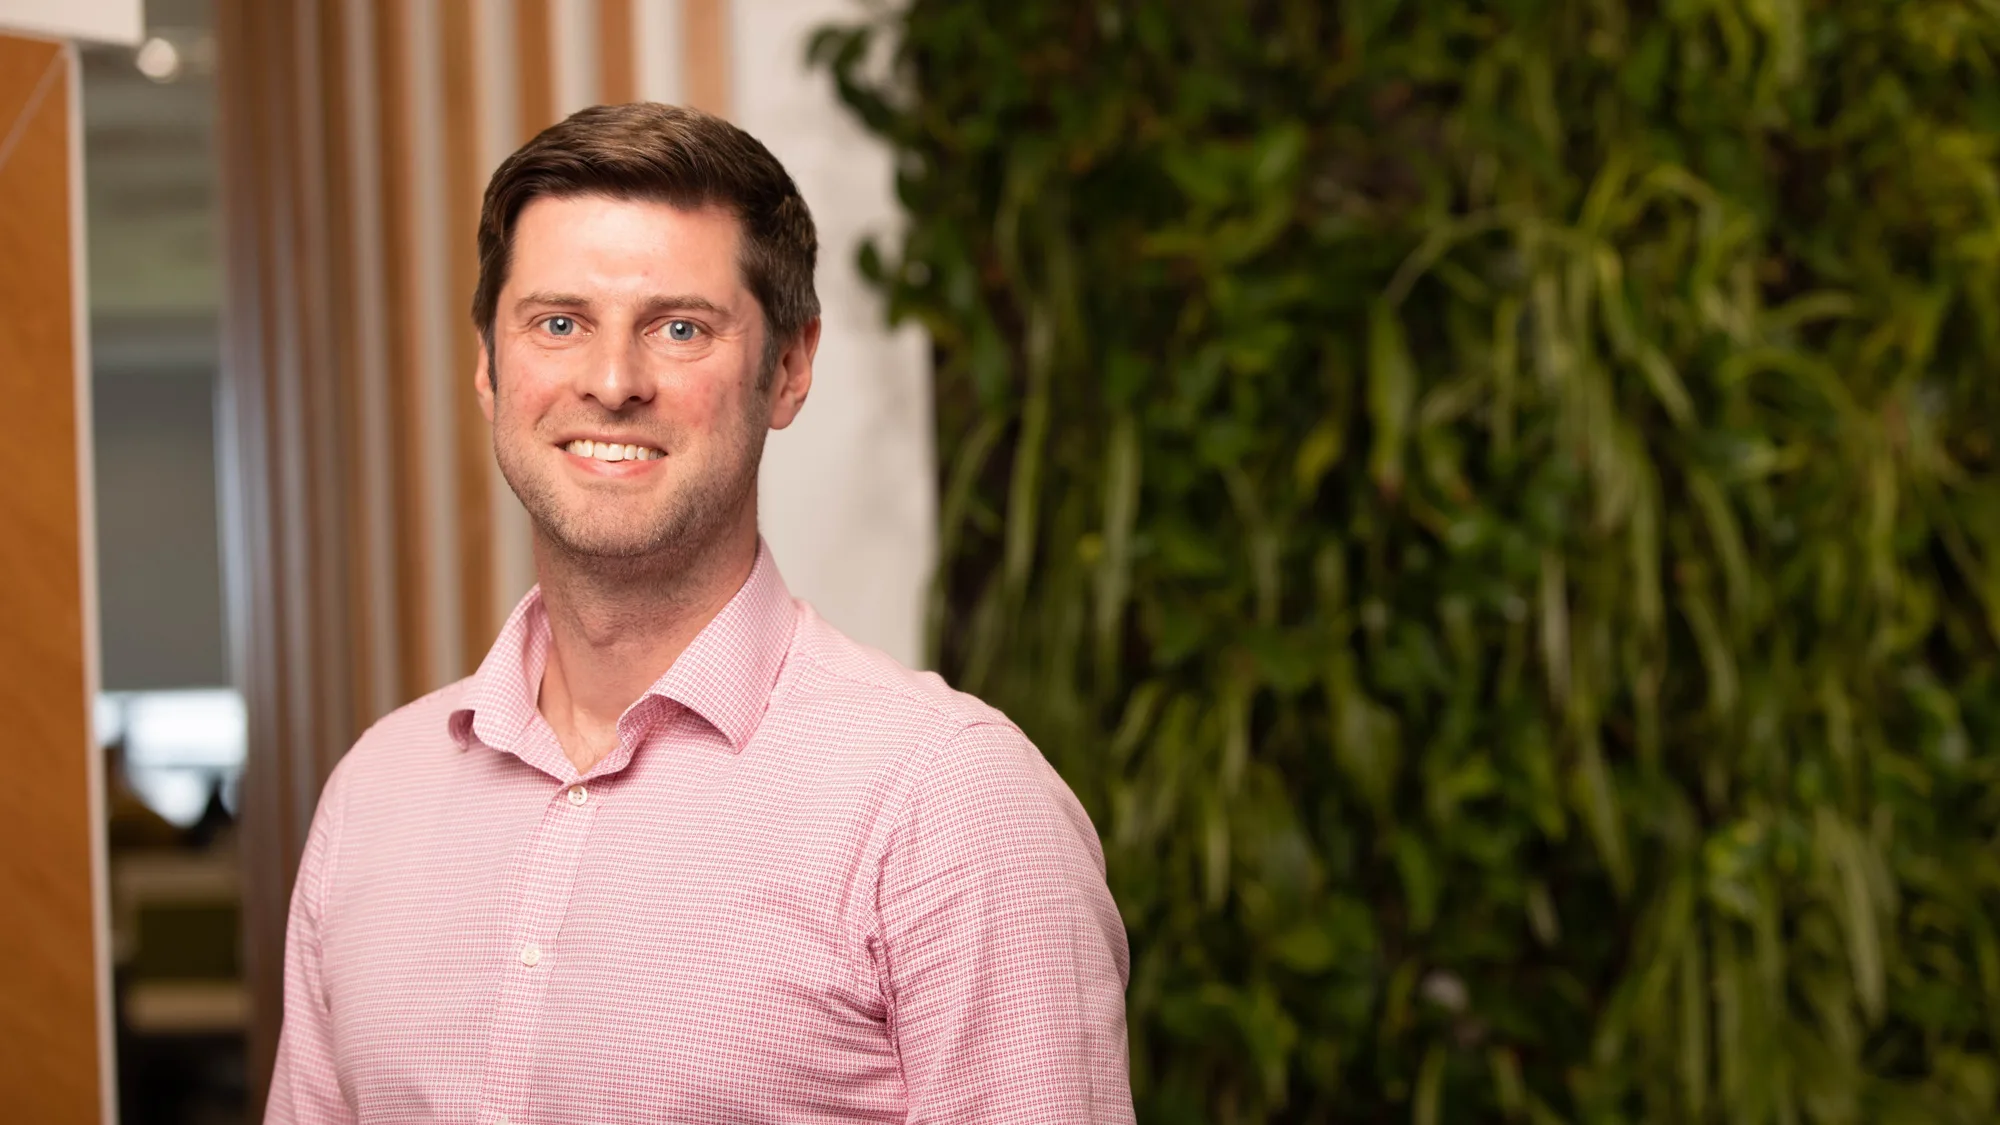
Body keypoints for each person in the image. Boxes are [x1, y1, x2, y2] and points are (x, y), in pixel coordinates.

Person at [265, 103, 1133, 1123]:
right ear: (490, 370)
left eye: (679, 328)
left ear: (791, 368)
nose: (612, 382)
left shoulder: (946, 804)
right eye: (558, 323)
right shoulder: (376, 793)